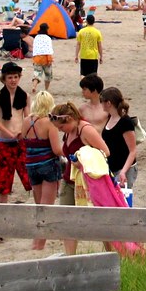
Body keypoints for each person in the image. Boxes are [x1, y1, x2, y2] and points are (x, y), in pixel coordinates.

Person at [51, 101, 109, 255]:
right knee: (66, 219)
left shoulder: (86, 130)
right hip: (69, 179)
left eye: (61, 127)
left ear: (70, 118)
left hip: (88, 182)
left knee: (99, 220)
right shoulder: (69, 131)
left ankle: (111, 252)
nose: (60, 130)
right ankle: (70, 257)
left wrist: (82, 161)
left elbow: (105, 152)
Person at [19, 91, 64, 250]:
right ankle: (39, 244)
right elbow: (57, 149)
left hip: (31, 164)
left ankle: (36, 242)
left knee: (39, 205)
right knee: (47, 206)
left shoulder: (26, 121)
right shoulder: (49, 123)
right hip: (48, 164)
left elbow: (22, 141)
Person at [0, 62, 31, 204]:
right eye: (10, 78)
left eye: (15, 77)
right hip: (4, 142)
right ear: (4, 79)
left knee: (29, 178)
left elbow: (28, 118)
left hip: (20, 141)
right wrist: (8, 132)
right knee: (3, 182)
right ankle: (3, 210)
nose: (13, 80)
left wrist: (22, 133)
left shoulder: (24, 95)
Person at [99, 87, 138, 190]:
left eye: (102, 101)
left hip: (123, 168)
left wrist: (123, 171)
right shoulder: (109, 117)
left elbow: (132, 151)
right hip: (111, 167)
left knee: (121, 201)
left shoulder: (125, 122)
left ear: (108, 103)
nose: (101, 104)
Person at [31, 22, 54, 94]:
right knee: (48, 75)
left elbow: (35, 48)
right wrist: (50, 59)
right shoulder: (48, 38)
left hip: (37, 58)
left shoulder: (36, 37)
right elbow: (48, 49)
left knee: (37, 74)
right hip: (46, 58)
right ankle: (46, 89)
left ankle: (34, 87)